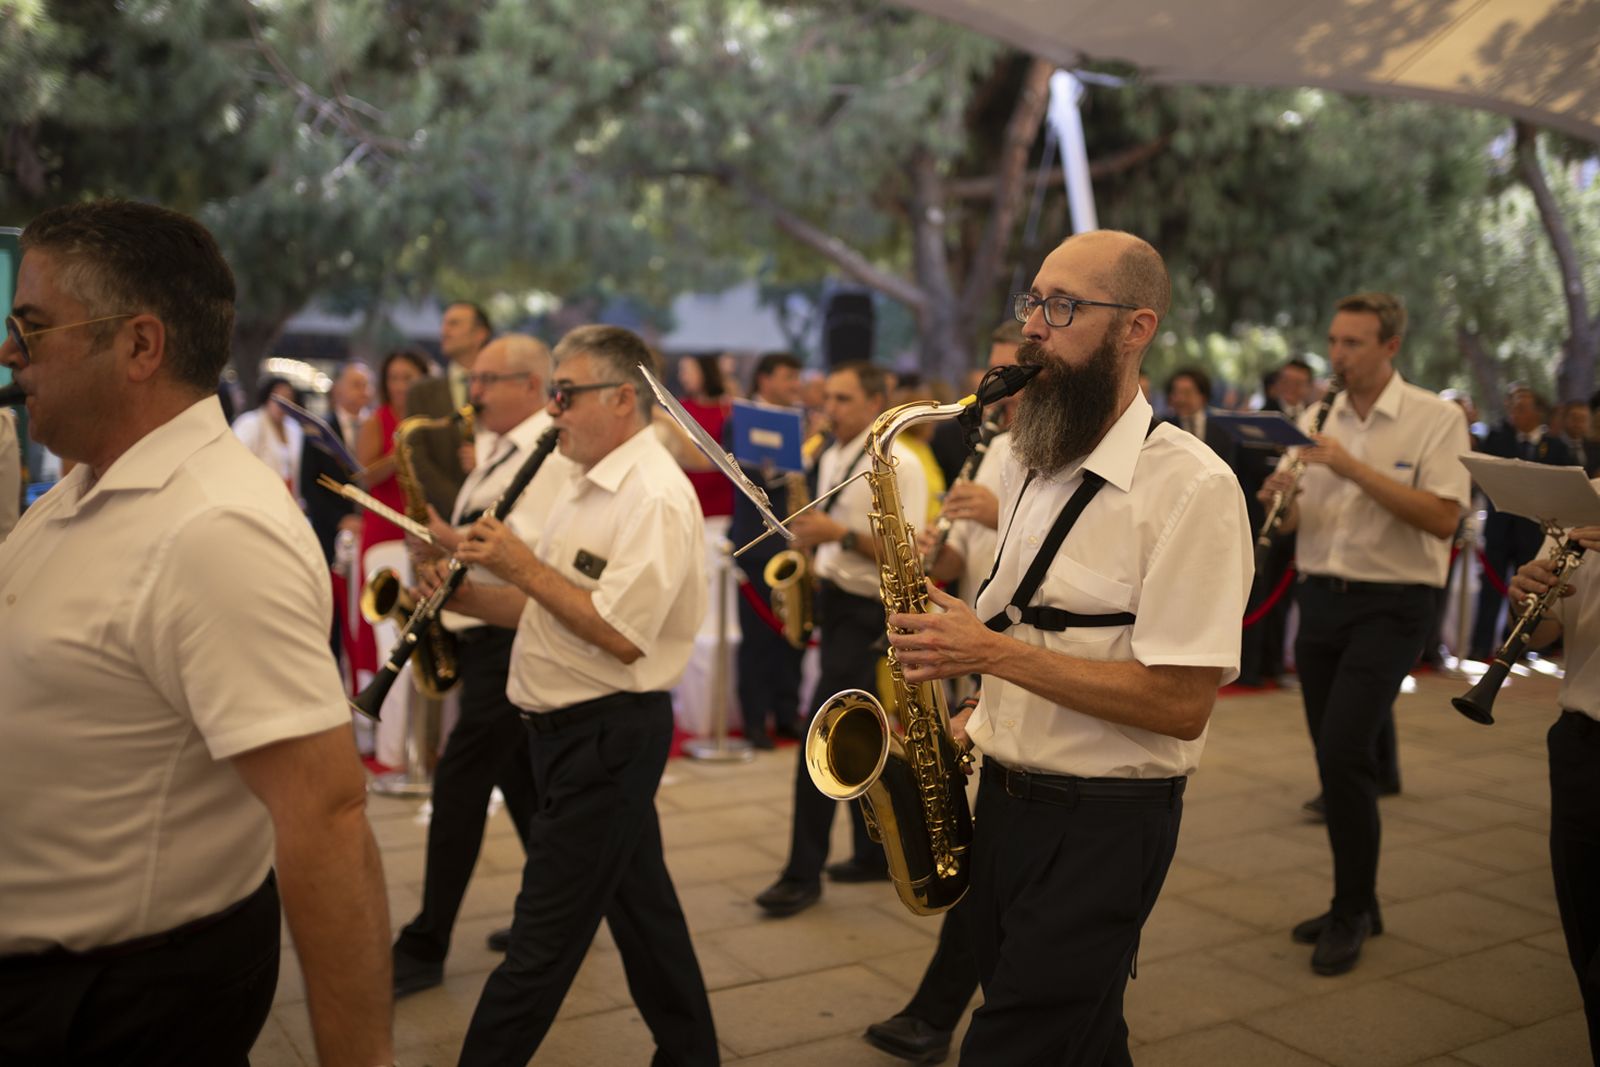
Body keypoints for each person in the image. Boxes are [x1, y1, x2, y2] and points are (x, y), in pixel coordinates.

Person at [0, 198, 392, 1065]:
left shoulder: (214, 529)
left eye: (32, 328)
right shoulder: (87, 485)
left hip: (105, 1009)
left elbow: (325, 816)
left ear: (141, 346)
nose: (9, 354)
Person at [884, 230, 1251, 1064]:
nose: (1033, 330)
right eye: (1032, 303)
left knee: (1014, 1043)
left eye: (1063, 308)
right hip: (1004, 803)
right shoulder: (1023, 457)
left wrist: (991, 655)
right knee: (1084, 1040)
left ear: (1137, 328)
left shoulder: (1194, 489)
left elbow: (1181, 704)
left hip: (1102, 829)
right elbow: (1030, 623)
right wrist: (972, 700)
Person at [443, 325, 718, 1066]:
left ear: (623, 398)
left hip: (605, 734)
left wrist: (523, 565)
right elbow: (554, 605)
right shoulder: (578, 478)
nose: (553, 410)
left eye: (565, 394)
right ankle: (692, 1052)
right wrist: (461, 598)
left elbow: (622, 633)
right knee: (643, 909)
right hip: (563, 731)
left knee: (538, 946)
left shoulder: (654, 495)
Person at [1261, 291, 1470, 976]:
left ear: (1390, 347)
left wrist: (1349, 466)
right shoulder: (1311, 415)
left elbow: (1443, 518)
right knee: (1331, 753)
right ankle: (1360, 900)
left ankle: (1351, 908)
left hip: (1396, 602)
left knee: (1348, 750)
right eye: (1334, 341)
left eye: (1353, 343)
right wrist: (1280, 502)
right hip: (1321, 597)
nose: (1338, 356)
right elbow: (1297, 525)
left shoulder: (1435, 419)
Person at [389, 334, 574, 997]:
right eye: (477, 377)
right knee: (524, 783)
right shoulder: (497, 451)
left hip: (513, 640)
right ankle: (554, 917)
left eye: (491, 378)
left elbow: (529, 559)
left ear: (531, 384)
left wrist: (454, 553)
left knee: (463, 779)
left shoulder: (544, 454)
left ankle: (426, 940)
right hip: (483, 634)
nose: (477, 389)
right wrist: (441, 544)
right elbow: (487, 541)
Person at [753, 360, 928, 918]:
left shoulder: (901, 460)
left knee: (823, 733)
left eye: (845, 398)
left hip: (872, 611)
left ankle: (800, 874)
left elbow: (911, 553)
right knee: (858, 733)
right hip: (835, 601)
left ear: (878, 400)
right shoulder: (829, 450)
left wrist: (838, 535)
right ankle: (872, 856)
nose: (831, 408)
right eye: (828, 396)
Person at [1509, 528, 1600, 1065]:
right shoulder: (1583, 500)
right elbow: (1543, 631)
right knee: (1585, 945)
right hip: (1584, 742)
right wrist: (1529, 594)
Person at [731, 351, 808, 750]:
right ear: (763, 380)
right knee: (759, 637)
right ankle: (754, 720)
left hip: (798, 540)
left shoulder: (806, 420)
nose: (795, 384)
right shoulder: (741, 420)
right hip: (758, 541)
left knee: (792, 635)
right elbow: (746, 476)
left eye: (798, 376)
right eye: (787, 376)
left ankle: (786, 713)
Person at [1471, 387, 1572, 661]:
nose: (1516, 413)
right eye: (1513, 408)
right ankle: (1480, 645)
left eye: (1523, 408)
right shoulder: (1498, 438)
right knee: (1490, 590)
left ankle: (1520, 646)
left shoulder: (1555, 446)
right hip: (1500, 529)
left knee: (1528, 594)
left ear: (1538, 413)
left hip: (1533, 533)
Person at [407, 300, 492, 516]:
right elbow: (417, 456)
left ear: (480, 334)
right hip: (440, 516)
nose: (444, 331)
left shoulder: (503, 387)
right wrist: (460, 504)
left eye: (454, 324)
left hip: (494, 509)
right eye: (444, 324)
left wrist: (485, 459)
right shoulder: (421, 391)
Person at [302, 359, 373, 565]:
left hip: (370, 526)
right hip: (330, 531)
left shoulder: (376, 426)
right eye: (356, 384)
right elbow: (309, 485)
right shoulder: (319, 431)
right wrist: (340, 519)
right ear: (338, 389)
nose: (363, 391)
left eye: (367, 385)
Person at [231, 375, 305, 494]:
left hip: (288, 496)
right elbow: (236, 464)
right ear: (267, 398)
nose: (282, 404)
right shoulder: (250, 423)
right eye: (277, 398)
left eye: (287, 398)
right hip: (257, 494)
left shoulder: (294, 428)